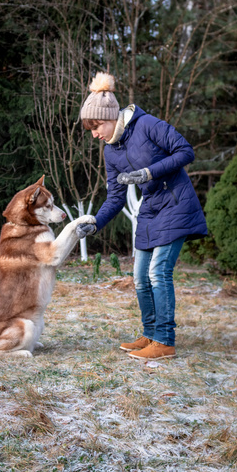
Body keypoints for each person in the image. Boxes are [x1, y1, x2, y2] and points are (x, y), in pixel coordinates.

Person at [76, 72, 207, 360]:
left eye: (96, 126)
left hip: (175, 202)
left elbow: (186, 151)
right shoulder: (111, 152)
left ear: (111, 117)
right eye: (91, 130)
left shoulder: (146, 125)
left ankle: (165, 341)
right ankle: (150, 335)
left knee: (158, 272)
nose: (95, 134)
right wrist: (95, 223)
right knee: (139, 277)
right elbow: (115, 196)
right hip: (150, 210)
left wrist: (149, 172)